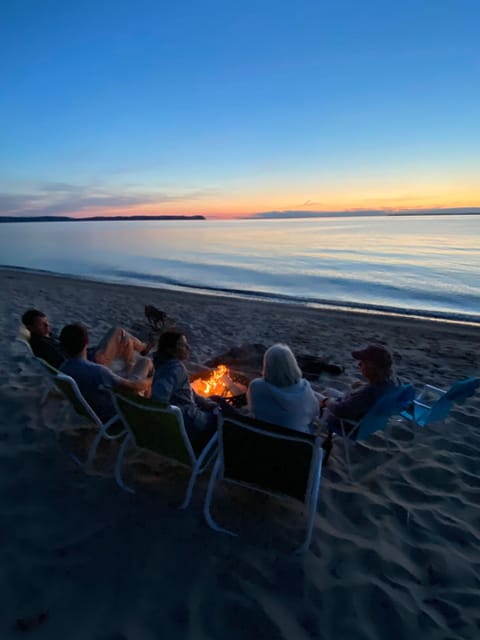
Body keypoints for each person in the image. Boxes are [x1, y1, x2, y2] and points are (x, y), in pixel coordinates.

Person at [59, 323, 151, 423]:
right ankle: (147, 413)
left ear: (63, 347)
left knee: (129, 352)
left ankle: (133, 359)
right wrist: (150, 380)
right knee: (146, 362)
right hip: (114, 414)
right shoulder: (99, 371)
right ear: (87, 342)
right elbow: (134, 387)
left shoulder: (64, 368)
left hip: (92, 409)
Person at [21, 308, 153, 377]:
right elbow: (68, 362)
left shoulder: (43, 337)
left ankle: (139, 354)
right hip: (89, 361)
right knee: (119, 333)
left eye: (47, 322)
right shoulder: (44, 345)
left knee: (124, 340)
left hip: (86, 355)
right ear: (31, 328)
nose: (47, 326)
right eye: (42, 324)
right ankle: (137, 358)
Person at [151, 330, 219, 448]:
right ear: (169, 349)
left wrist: (208, 403)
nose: (188, 347)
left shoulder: (163, 364)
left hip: (185, 419)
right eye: (182, 345)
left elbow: (188, 392)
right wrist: (178, 414)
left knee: (216, 400)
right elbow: (159, 399)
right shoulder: (175, 368)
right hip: (189, 424)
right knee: (223, 420)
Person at [320, 343, 397, 436]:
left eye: (362, 362)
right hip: (368, 421)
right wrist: (363, 385)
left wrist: (326, 401)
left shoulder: (368, 392)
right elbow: (372, 393)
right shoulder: (388, 385)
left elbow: (341, 411)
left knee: (318, 397)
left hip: (347, 424)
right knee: (328, 391)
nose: (359, 364)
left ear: (372, 367)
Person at [247, 343, 320, 432]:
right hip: (296, 442)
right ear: (293, 364)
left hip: (263, 440)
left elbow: (253, 410)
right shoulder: (305, 388)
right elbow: (314, 412)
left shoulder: (256, 386)